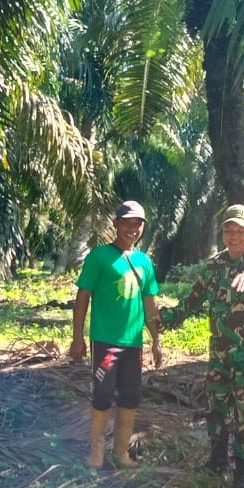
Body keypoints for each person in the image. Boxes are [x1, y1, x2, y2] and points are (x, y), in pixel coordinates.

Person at [162, 203, 244, 488]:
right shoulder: (214, 265)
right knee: (217, 409)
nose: (234, 236)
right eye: (228, 230)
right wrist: (165, 318)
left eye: (240, 230)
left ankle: (243, 473)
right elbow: (193, 300)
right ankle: (216, 461)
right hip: (220, 353)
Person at [70, 200, 163, 469]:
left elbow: (150, 304)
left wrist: (156, 340)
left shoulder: (144, 262)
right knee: (103, 395)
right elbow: (82, 297)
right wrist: (78, 337)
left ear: (142, 227)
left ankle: (121, 453)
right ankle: (96, 454)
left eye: (137, 224)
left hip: (133, 344)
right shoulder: (98, 257)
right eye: (126, 223)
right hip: (106, 343)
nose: (131, 228)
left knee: (131, 396)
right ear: (116, 224)